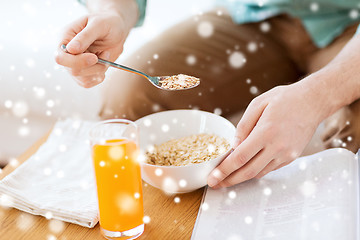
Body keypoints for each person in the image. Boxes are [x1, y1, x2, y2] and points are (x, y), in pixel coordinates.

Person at [55, 0, 360, 189]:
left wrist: (316, 96)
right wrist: (113, 12)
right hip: (255, 12)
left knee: (352, 134)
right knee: (130, 94)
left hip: (351, 23)